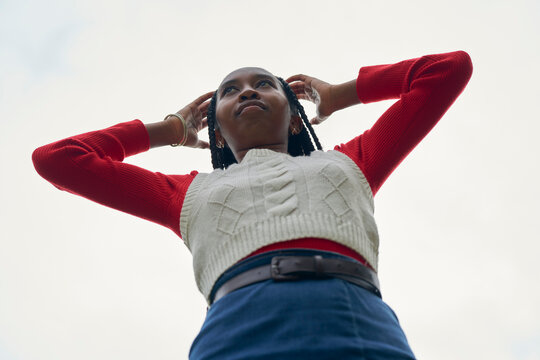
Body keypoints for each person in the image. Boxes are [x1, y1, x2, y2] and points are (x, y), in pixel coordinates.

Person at [32, 50, 473, 359]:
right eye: (230, 91)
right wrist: (169, 129)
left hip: (353, 315)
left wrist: (341, 94)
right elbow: (58, 160)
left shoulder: (352, 161)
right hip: (237, 328)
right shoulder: (186, 193)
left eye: (264, 85)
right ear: (216, 131)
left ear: (296, 116)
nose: (247, 92)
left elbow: (447, 70)